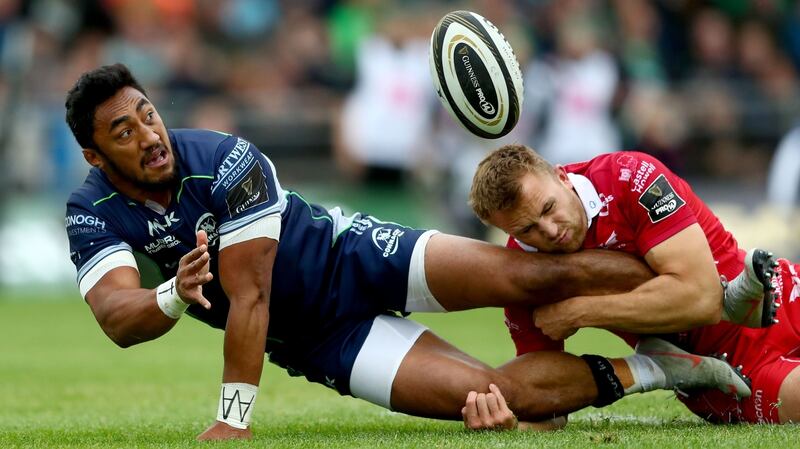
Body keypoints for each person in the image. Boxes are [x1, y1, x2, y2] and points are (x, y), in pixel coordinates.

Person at [63, 64, 750, 441]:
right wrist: (171, 294)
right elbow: (118, 317)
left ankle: (706, 290)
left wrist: (232, 420)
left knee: (538, 272)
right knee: (501, 400)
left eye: (147, 113)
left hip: (356, 253)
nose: (148, 134)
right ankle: (663, 369)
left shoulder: (221, 157)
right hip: (322, 337)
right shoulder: (90, 211)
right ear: (95, 155)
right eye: (123, 132)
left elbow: (253, 294)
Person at [468, 144, 798, 426]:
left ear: (562, 177)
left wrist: (580, 312)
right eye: (527, 230)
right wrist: (513, 420)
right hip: (731, 372)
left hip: (783, 292)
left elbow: (702, 299)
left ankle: (735, 302)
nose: (550, 231)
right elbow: (549, 398)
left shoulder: (631, 176)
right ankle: (661, 363)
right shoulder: (522, 273)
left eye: (549, 208)